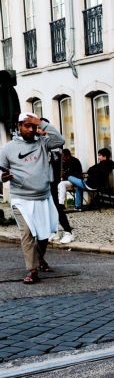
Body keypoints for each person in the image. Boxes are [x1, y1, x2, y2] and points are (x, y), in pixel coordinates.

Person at [0, 113, 64, 283]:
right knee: (27, 233)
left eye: (33, 126)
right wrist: (3, 177)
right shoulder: (8, 148)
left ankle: (40, 259)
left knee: (44, 234)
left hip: (43, 197)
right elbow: (1, 169)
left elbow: (59, 140)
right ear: (18, 125)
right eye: (26, 125)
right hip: (21, 198)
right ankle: (32, 270)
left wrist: (42, 123)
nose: (30, 129)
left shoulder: (43, 143)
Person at [47, 143, 76, 244]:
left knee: (56, 206)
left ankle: (68, 231)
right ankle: (54, 231)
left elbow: (60, 141)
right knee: (48, 209)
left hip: (52, 182)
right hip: (41, 183)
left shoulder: (51, 146)